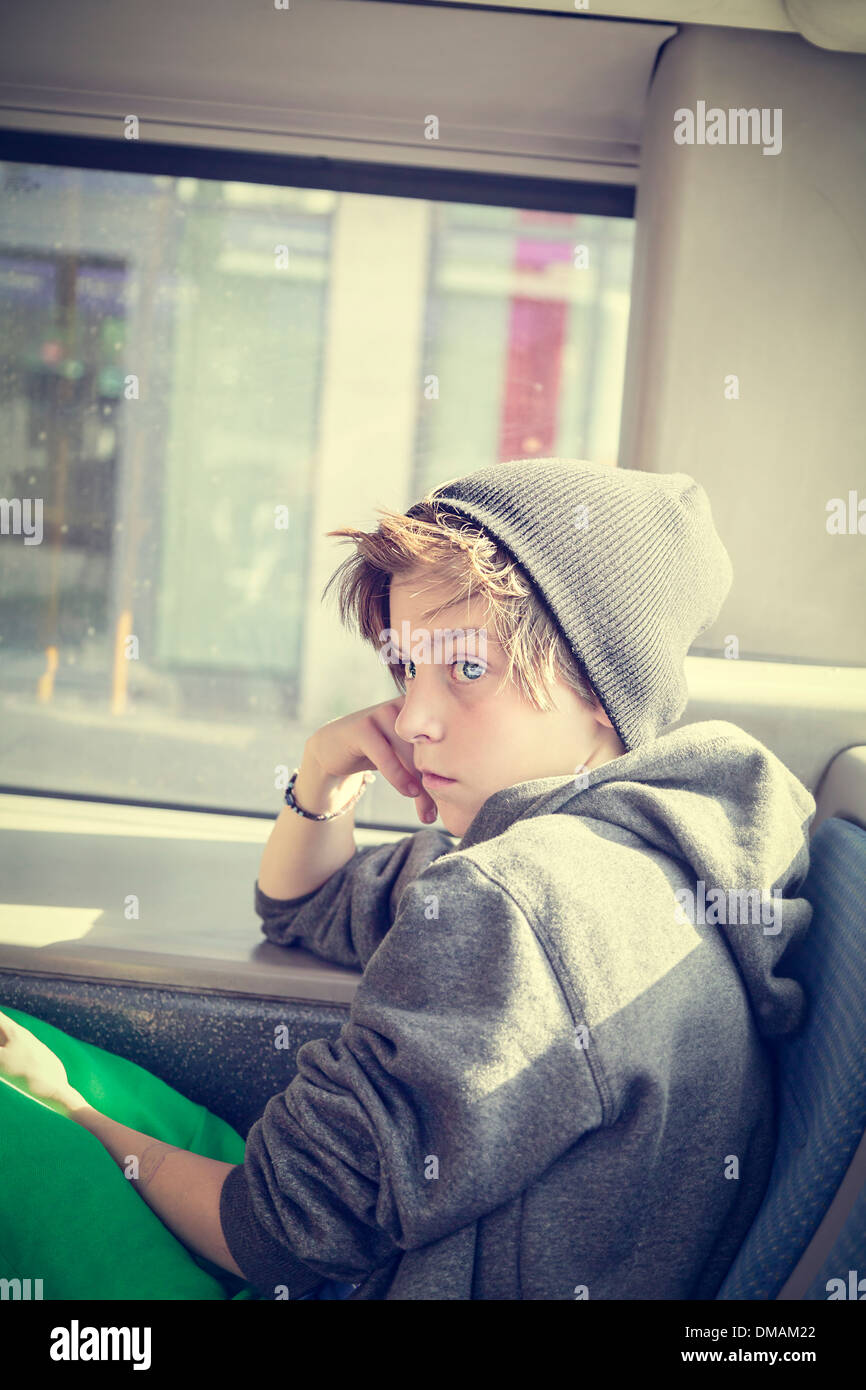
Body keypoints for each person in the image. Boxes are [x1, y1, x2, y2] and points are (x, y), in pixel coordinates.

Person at [1, 456, 815, 1300]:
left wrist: (79, 1119)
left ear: (603, 687)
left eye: (466, 669)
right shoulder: (626, 849)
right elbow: (304, 906)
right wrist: (322, 772)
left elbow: (277, 1237)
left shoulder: (522, 901)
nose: (415, 721)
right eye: (406, 670)